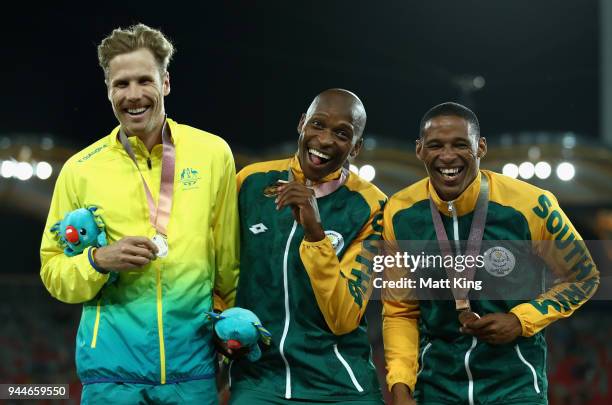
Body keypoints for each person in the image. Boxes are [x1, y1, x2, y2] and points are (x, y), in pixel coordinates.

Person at [40, 24, 239, 404]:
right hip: (110, 376)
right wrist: (98, 260)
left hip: (193, 372)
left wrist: (228, 341)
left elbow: (229, 262)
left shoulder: (213, 154)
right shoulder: (80, 169)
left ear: (165, 82)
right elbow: (53, 271)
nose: (133, 95)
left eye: (144, 81)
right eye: (121, 84)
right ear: (108, 90)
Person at [382, 102, 599, 405]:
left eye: (460, 144)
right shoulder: (399, 212)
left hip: (515, 387)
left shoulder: (531, 205)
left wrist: (521, 320)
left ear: (480, 147)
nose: (447, 156)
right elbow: (400, 310)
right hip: (436, 388)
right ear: (419, 149)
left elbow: (584, 278)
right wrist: (400, 385)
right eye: (435, 145)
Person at [229, 89, 386, 404]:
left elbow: (344, 317)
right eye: (318, 125)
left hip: (341, 384)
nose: (326, 140)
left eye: (342, 134)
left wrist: (315, 234)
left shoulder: (371, 206)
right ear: (302, 124)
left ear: (355, 147)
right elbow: (225, 270)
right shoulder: (250, 183)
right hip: (260, 380)